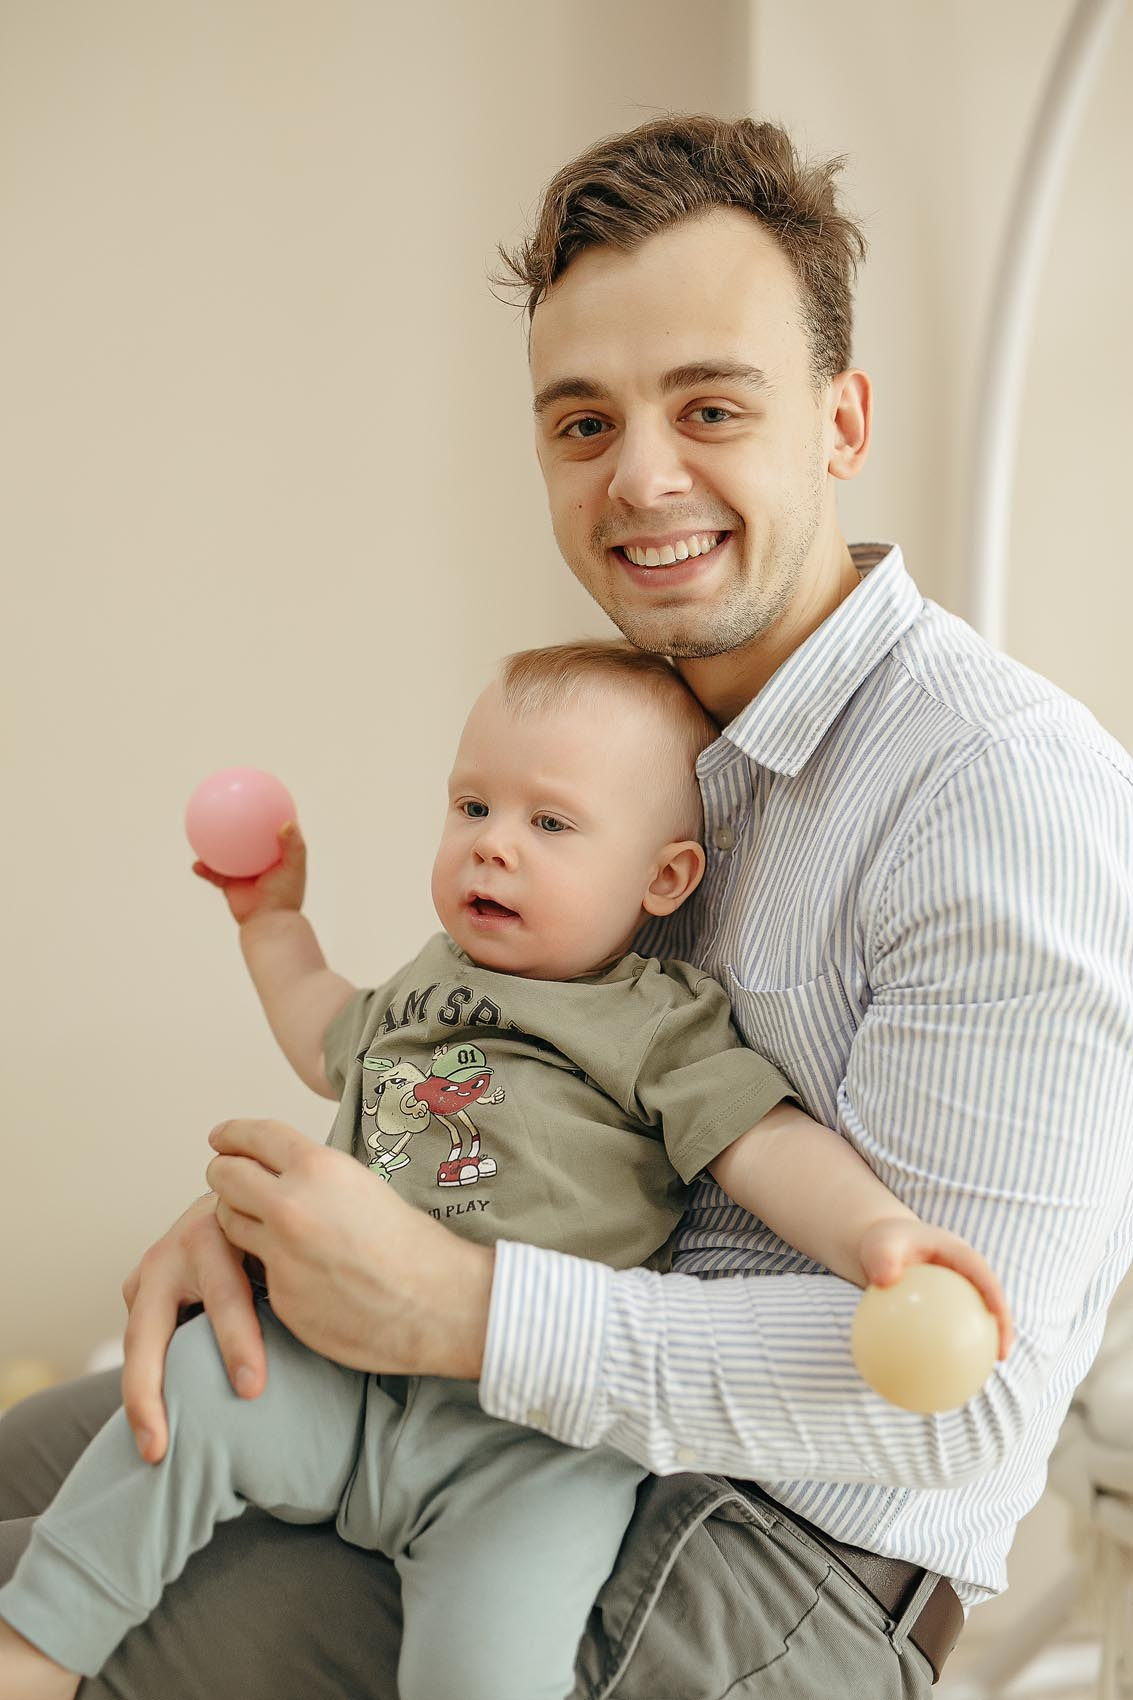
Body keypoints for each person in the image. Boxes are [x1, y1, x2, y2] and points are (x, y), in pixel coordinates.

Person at [1, 113, 1131, 1699]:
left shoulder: (1001, 792)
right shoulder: (639, 744)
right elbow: (506, 1073)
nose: (641, 476)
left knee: (58, 1616)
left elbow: (967, 1398)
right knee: (20, 1481)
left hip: (761, 1556)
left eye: (711, 405)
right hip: (494, 1410)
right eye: (582, 422)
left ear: (842, 419)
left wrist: (457, 1301)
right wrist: (287, 1231)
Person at [0, 641, 1011, 1700]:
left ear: (661, 875)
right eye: (470, 807)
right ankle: (41, 1647)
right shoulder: (425, 985)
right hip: (333, 1371)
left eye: (549, 823)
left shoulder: (654, 1020)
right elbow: (320, 1032)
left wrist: (873, 1234)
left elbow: (762, 1142)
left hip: (530, 1445)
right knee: (192, 1394)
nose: (492, 848)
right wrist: (271, 920)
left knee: (487, 1663)